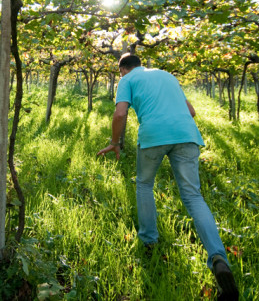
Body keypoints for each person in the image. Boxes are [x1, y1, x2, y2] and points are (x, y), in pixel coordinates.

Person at [97, 53, 239, 300]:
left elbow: (120, 114)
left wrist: (115, 142)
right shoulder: (168, 75)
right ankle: (218, 257)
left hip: (153, 136)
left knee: (143, 185)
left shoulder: (127, 79)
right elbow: (191, 111)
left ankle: (149, 241)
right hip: (187, 134)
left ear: (123, 69)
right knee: (193, 196)